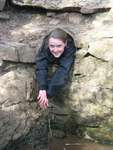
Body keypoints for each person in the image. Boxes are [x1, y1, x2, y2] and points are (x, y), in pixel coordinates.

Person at [36, 28, 76, 109]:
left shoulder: (70, 48)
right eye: (52, 46)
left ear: (65, 43)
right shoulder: (45, 47)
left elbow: (62, 71)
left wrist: (48, 94)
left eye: (59, 46)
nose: (55, 50)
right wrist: (42, 88)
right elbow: (41, 67)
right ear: (48, 44)